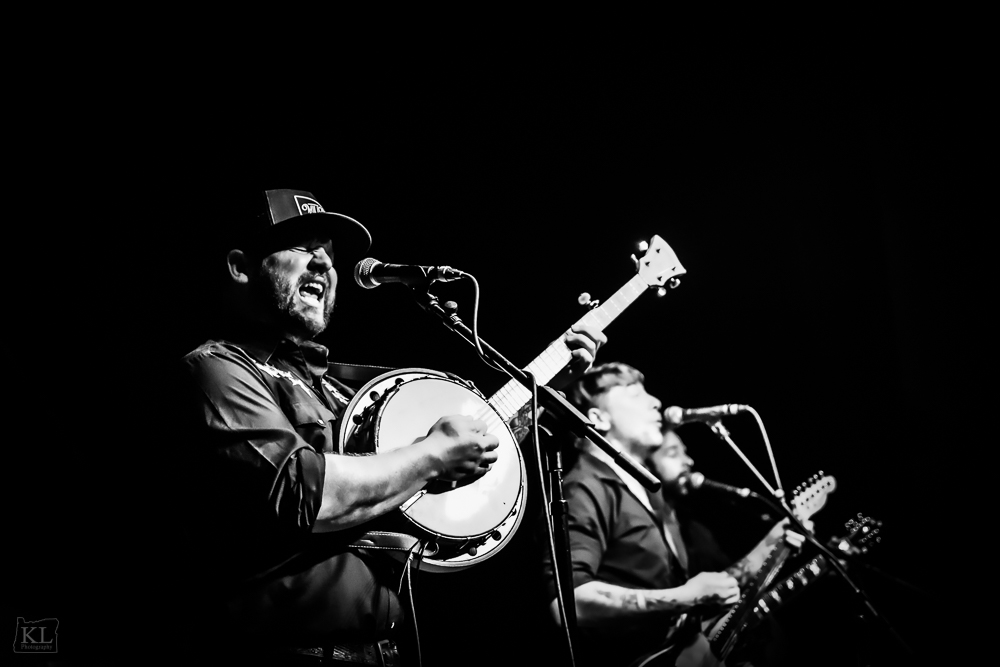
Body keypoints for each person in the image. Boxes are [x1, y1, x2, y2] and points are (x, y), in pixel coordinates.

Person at [167, 188, 606, 666]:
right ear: (239, 266)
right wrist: (430, 455)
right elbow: (307, 494)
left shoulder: (333, 386)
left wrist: (548, 385)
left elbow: (437, 468)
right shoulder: (216, 368)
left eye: (329, 254)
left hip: (384, 652)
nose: (323, 262)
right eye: (301, 246)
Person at [539, 362, 807, 667]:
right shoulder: (585, 487)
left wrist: (769, 545)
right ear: (598, 418)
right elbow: (567, 603)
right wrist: (685, 597)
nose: (655, 402)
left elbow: (693, 596)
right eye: (634, 394)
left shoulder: (652, 494)